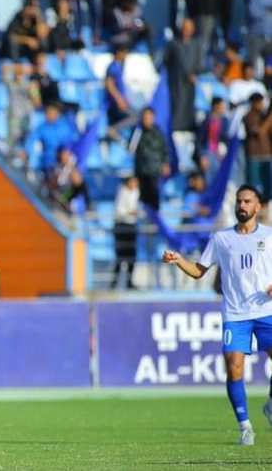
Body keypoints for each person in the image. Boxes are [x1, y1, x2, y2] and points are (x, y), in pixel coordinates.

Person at [162, 184, 272, 446]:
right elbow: (200, 270)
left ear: (258, 207)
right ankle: (245, 427)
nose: (242, 206)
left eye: (247, 202)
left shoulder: (269, 236)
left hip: (267, 310)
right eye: (238, 202)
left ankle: (270, 405)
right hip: (235, 313)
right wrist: (179, 260)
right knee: (234, 368)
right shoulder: (221, 239)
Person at [132, 107, 171, 210]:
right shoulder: (137, 132)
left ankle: (155, 218)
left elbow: (165, 148)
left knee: (154, 195)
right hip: (142, 170)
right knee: (143, 197)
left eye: (150, 117)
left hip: (155, 170)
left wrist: (166, 163)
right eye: (145, 117)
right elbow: (131, 148)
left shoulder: (158, 132)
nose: (147, 120)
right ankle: (146, 218)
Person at [112, 175, 140, 289]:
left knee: (132, 255)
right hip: (121, 226)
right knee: (120, 256)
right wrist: (130, 212)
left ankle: (129, 281)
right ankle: (114, 282)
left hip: (131, 226)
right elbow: (119, 211)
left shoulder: (136, 193)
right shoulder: (122, 192)